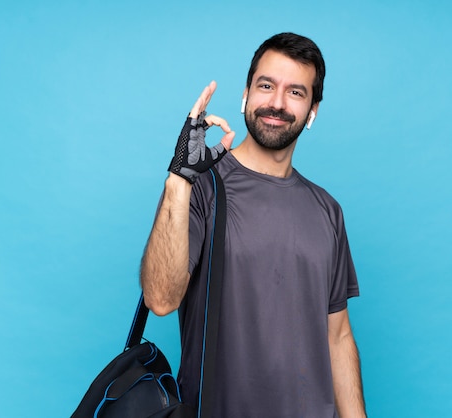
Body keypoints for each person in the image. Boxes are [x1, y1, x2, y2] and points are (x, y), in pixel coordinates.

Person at [141, 32, 366, 418]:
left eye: (296, 92)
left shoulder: (327, 210)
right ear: (246, 93)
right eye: (266, 86)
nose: (276, 103)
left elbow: (338, 335)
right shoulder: (202, 185)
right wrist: (179, 179)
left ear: (312, 111)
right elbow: (160, 299)